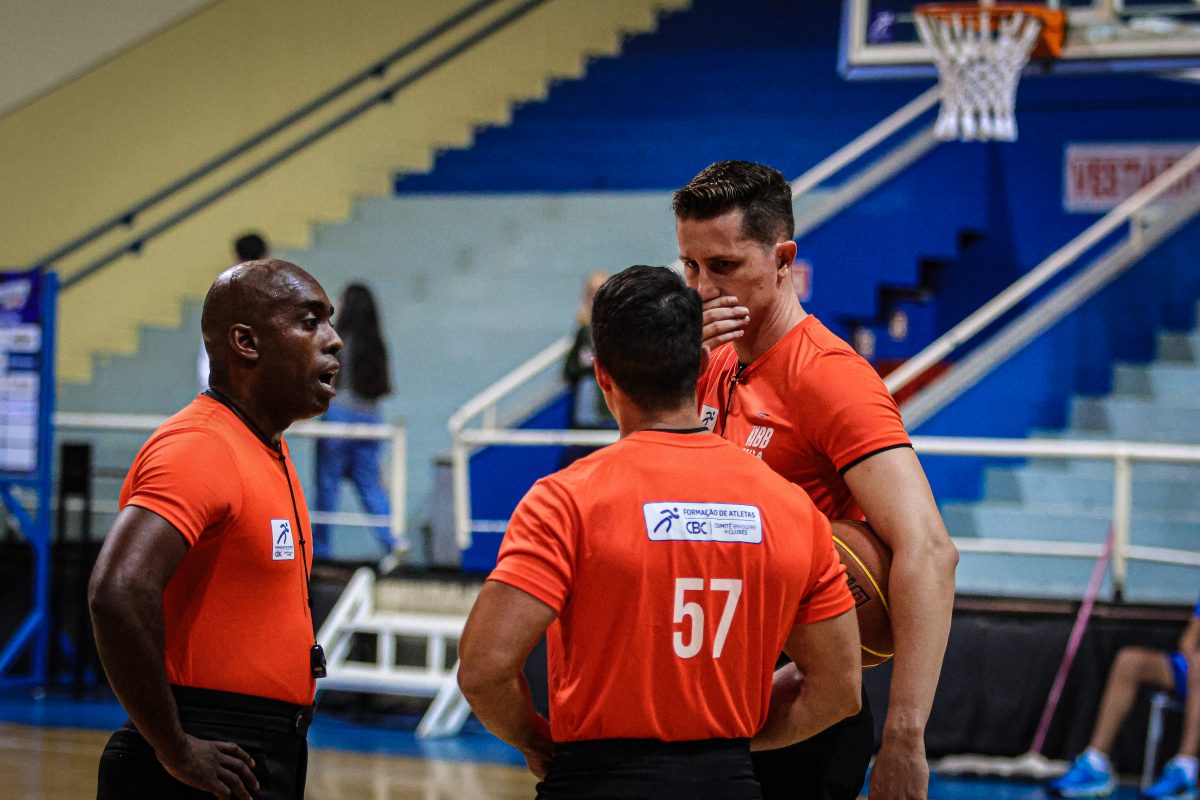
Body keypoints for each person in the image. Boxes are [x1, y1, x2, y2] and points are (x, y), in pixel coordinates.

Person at [457, 265, 863, 799]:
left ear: (603, 376)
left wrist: (535, 741)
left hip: (597, 779)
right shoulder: (791, 507)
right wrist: (727, 743)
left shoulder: (565, 500)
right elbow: (840, 688)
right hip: (730, 782)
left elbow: (484, 670)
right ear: (702, 365)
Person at [673, 160, 959, 800]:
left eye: (723, 266)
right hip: (714, 676)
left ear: (783, 260)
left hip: (801, 699)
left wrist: (905, 737)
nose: (702, 288)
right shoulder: (707, 362)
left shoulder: (830, 377)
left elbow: (929, 550)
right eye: (690, 267)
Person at [89, 259, 342, 800]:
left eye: (330, 322)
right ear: (245, 343)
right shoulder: (200, 447)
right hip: (207, 743)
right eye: (310, 322)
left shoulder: (262, 446)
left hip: (261, 748)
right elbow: (118, 591)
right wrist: (175, 749)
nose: (333, 340)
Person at [1048, 598, 1200, 799]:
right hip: (1191, 670)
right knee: (1129, 661)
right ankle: (1096, 764)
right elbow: (1188, 642)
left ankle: (1186, 770)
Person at [313, 282, 401, 568]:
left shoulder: (338, 342)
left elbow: (326, 381)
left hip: (339, 417)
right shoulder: (378, 345)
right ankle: (392, 541)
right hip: (371, 419)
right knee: (370, 485)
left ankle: (321, 550)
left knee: (327, 486)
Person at [559, 269, 617, 468]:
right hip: (587, 416)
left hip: (611, 415)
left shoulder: (621, 331)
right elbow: (570, 370)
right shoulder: (584, 332)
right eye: (593, 292)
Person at [198, 232, 270, 391]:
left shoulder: (221, 296)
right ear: (267, 256)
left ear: (236, 257)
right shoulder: (281, 295)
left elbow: (209, 353)